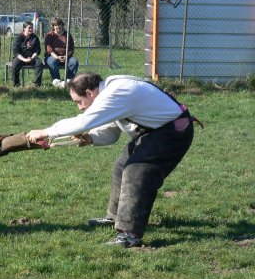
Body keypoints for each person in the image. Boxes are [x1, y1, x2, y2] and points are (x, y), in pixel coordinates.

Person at [26, 73, 198, 248]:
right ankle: (115, 217)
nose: (80, 107)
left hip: (172, 133)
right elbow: (112, 131)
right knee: (121, 167)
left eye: (79, 101)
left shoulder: (118, 92)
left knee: (136, 172)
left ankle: (129, 235)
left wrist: (46, 132)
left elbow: (83, 122)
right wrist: (91, 138)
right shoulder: (112, 91)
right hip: (155, 131)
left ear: (90, 92)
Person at [44, 18, 79, 87]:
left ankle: (68, 80)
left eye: (59, 25)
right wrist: (57, 57)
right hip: (53, 56)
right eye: (55, 25)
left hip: (66, 56)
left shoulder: (67, 35)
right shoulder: (49, 35)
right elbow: (49, 49)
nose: (58, 27)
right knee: (52, 62)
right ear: (53, 26)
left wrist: (67, 56)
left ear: (62, 25)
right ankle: (57, 81)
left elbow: (71, 48)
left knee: (74, 62)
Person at [12, 21, 43, 87]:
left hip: (32, 57)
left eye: (32, 28)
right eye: (29, 28)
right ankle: (16, 84)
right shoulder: (18, 38)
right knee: (14, 65)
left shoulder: (35, 38)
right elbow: (16, 52)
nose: (31, 29)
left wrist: (32, 58)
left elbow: (37, 51)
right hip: (20, 57)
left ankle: (36, 85)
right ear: (24, 28)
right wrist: (24, 59)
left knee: (39, 63)